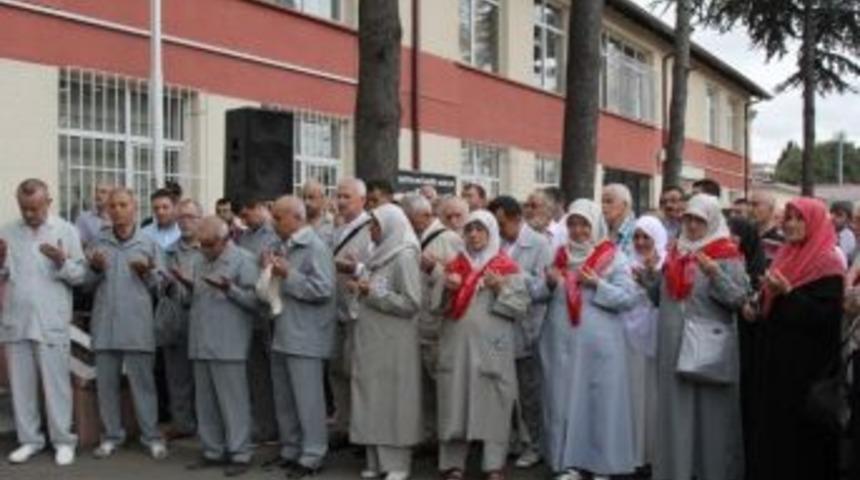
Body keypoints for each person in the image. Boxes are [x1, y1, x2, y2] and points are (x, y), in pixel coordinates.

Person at [642, 193, 749, 480]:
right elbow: (659, 299)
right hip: (674, 347)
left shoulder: (727, 253)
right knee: (677, 415)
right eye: (687, 218)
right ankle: (678, 471)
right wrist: (650, 273)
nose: (690, 225)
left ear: (712, 220)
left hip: (707, 351)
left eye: (698, 220)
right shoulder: (677, 250)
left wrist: (715, 273)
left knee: (710, 417)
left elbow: (739, 299)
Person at [745, 198, 845, 480]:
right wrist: (758, 306)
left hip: (806, 370)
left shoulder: (829, 262)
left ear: (814, 222)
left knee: (802, 444)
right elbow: (770, 305)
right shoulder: (785, 255)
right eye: (787, 218)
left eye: (798, 218)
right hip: (776, 364)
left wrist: (788, 292)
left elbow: (825, 319)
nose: (790, 224)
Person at [539, 199, 639, 480]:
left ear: (595, 225)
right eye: (572, 223)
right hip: (561, 344)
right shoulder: (559, 255)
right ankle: (568, 462)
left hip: (600, 347)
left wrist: (598, 283)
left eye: (584, 224)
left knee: (598, 402)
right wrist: (547, 282)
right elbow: (539, 293)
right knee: (563, 402)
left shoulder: (613, 256)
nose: (578, 230)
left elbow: (628, 298)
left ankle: (600, 464)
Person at [431, 210, 530, 480]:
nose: (473, 235)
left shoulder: (506, 267)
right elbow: (436, 308)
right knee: (455, 399)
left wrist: (500, 289)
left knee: (494, 402)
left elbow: (521, 307)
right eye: (469, 229)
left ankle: (493, 464)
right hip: (457, 347)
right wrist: (447, 289)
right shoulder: (455, 266)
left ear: (490, 233)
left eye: (479, 229)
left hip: (492, 347)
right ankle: (453, 464)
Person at [0, 179, 86, 466]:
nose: (29, 215)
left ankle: (63, 440)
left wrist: (63, 261)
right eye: (24, 209)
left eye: (34, 208)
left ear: (48, 202)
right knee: (21, 386)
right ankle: (30, 440)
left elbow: (81, 276)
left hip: (52, 321)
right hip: (17, 320)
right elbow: (4, 276)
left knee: (56, 385)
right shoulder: (7, 232)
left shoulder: (66, 230)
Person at [84, 188, 168, 460]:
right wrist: (94, 269)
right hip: (105, 323)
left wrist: (148, 274)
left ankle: (151, 437)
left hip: (137, 325)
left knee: (143, 384)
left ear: (134, 207)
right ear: (107, 210)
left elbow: (162, 286)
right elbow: (84, 285)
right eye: (113, 206)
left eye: (123, 205)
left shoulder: (148, 243)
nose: (118, 210)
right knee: (106, 385)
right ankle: (111, 436)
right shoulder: (98, 242)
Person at [348, 203, 423, 480]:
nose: (371, 230)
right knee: (372, 397)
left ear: (391, 225)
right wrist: (362, 287)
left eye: (376, 225)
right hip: (372, 339)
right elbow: (377, 289)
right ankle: (377, 460)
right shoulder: (378, 254)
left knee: (394, 400)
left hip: (394, 342)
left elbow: (412, 302)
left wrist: (372, 292)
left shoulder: (404, 255)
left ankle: (397, 463)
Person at [262, 196, 336, 478]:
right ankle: (291, 449)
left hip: (306, 336)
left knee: (308, 400)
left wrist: (288, 274)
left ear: (296, 217)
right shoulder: (283, 245)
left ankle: (313, 454)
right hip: (284, 330)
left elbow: (323, 290)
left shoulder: (315, 247)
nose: (274, 222)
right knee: (285, 399)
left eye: (278, 218)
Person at [180, 216, 260, 477]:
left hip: (229, 343)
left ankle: (240, 452)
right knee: (206, 402)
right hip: (201, 340)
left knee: (233, 402)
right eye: (201, 244)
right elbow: (197, 298)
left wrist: (231, 289)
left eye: (210, 244)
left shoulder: (244, 260)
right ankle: (212, 450)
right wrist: (185, 284)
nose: (205, 249)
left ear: (226, 240)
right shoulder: (200, 260)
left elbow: (256, 303)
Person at [487, 195, 553, 469]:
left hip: (527, 330)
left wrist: (511, 282)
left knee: (528, 392)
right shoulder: (495, 243)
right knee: (503, 391)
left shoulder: (539, 244)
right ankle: (512, 439)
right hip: (498, 326)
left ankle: (534, 444)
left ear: (516, 219)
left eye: (501, 224)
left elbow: (544, 290)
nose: (498, 230)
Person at [401, 194, 463, 447]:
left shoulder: (448, 238)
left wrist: (434, 270)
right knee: (424, 387)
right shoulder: (412, 239)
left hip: (438, 326)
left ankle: (448, 438)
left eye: (409, 217)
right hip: (418, 325)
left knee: (443, 386)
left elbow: (458, 279)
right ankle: (429, 435)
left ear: (426, 216)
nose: (406, 222)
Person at [329, 177, 374, 440]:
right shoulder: (338, 229)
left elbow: (379, 273)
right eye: (339, 196)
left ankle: (361, 430)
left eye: (347, 196)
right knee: (337, 371)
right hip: (336, 310)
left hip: (359, 312)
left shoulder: (371, 230)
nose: (341, 201)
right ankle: (343, 425)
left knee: (357, 372)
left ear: (362, 200)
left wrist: (355, 269)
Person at [155, 199, 202, 441]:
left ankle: (206, 426)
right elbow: (158, 281)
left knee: (203, 378)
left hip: (203, 320)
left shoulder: (209, 247)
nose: (185, 222)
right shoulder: (168, 250)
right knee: (177, 376)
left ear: (200, 219)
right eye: (181, 217)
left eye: (191, 217)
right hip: (175, 318)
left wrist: (189, 284)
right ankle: (182, 424)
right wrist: (163, 282)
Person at [625, 215, 667, 474]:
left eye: (646, 237)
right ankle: (631, 452)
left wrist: (653, 276)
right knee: (632, 397)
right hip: (628, 339)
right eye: (636, 237)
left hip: (656, 338)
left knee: (653, 398)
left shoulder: (667, 263)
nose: (640, 243)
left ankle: (654, 454)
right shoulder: (625, 262)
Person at [235, 197, 279, 443]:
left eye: (247, 214)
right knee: (257, 376)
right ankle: (265, 426)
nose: (244, 220)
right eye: (241, 216)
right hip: (249, 313)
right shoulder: (244, 237)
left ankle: (280, 427)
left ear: (260, 207)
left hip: (271, 313)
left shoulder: (275, 234)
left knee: (276, 374)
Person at [727, 216, 767, 476]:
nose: (731, 244)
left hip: (748, 347)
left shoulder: (758, 270)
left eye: (736, 240)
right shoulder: (719, 262)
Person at [749, 191, 784, 264]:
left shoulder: (781, 238)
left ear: (771, 208)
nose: (751, 209)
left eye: (755, 204)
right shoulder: (747, 234)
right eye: (749, 205)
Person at [602, 183, 636, 256]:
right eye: (602, 201)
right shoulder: (602, 229)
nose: (603, 206)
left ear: (624, 205)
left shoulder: (637, 231)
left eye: (609, 201)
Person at [76, 183, 113, 247]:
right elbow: (79, 244)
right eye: (96, 191)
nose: (98, 195)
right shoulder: (84, 218)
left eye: (103, 192)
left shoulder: (119, 217)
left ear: (112, 196)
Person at [302, 179, 335, 246]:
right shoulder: (297, 222)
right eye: (304, 198)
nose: (306, 202)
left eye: (311, 198)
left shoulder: (332, 223)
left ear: (322, 199)